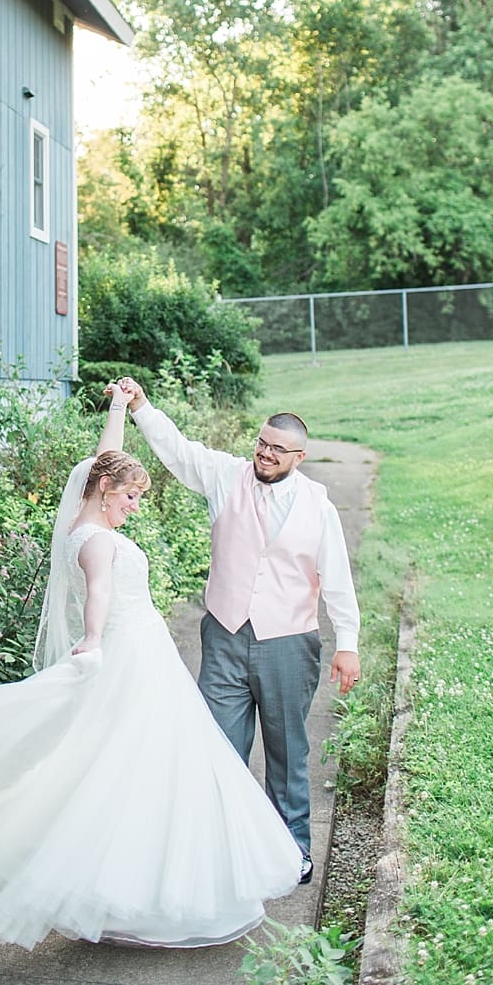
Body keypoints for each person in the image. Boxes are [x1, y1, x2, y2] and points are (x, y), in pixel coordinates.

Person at [0, 384, 303, 949]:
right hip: (129, 653)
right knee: (145, 764)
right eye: (130, 497)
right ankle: (136, 885)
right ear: (106, 492)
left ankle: (133, 880)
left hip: (144, 652)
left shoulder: (89, 509)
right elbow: (98, 593)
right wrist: (95, 640)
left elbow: (106, 457)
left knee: (130, 763)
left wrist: (119, 410)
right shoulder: (99, 543)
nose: (135, 505)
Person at [111, 377, 360, 887]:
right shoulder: (227, 476)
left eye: (277, 449)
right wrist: (141, 407)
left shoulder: (320, 507)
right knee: (218, 748)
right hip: (224, 637)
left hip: (290, 643)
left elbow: (337, 580)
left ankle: (292, 850)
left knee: (288, 750)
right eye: (261, 443)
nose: (265, 454)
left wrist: (348, 645)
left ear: (299, 456)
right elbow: (178, 452)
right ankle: (220, 849)